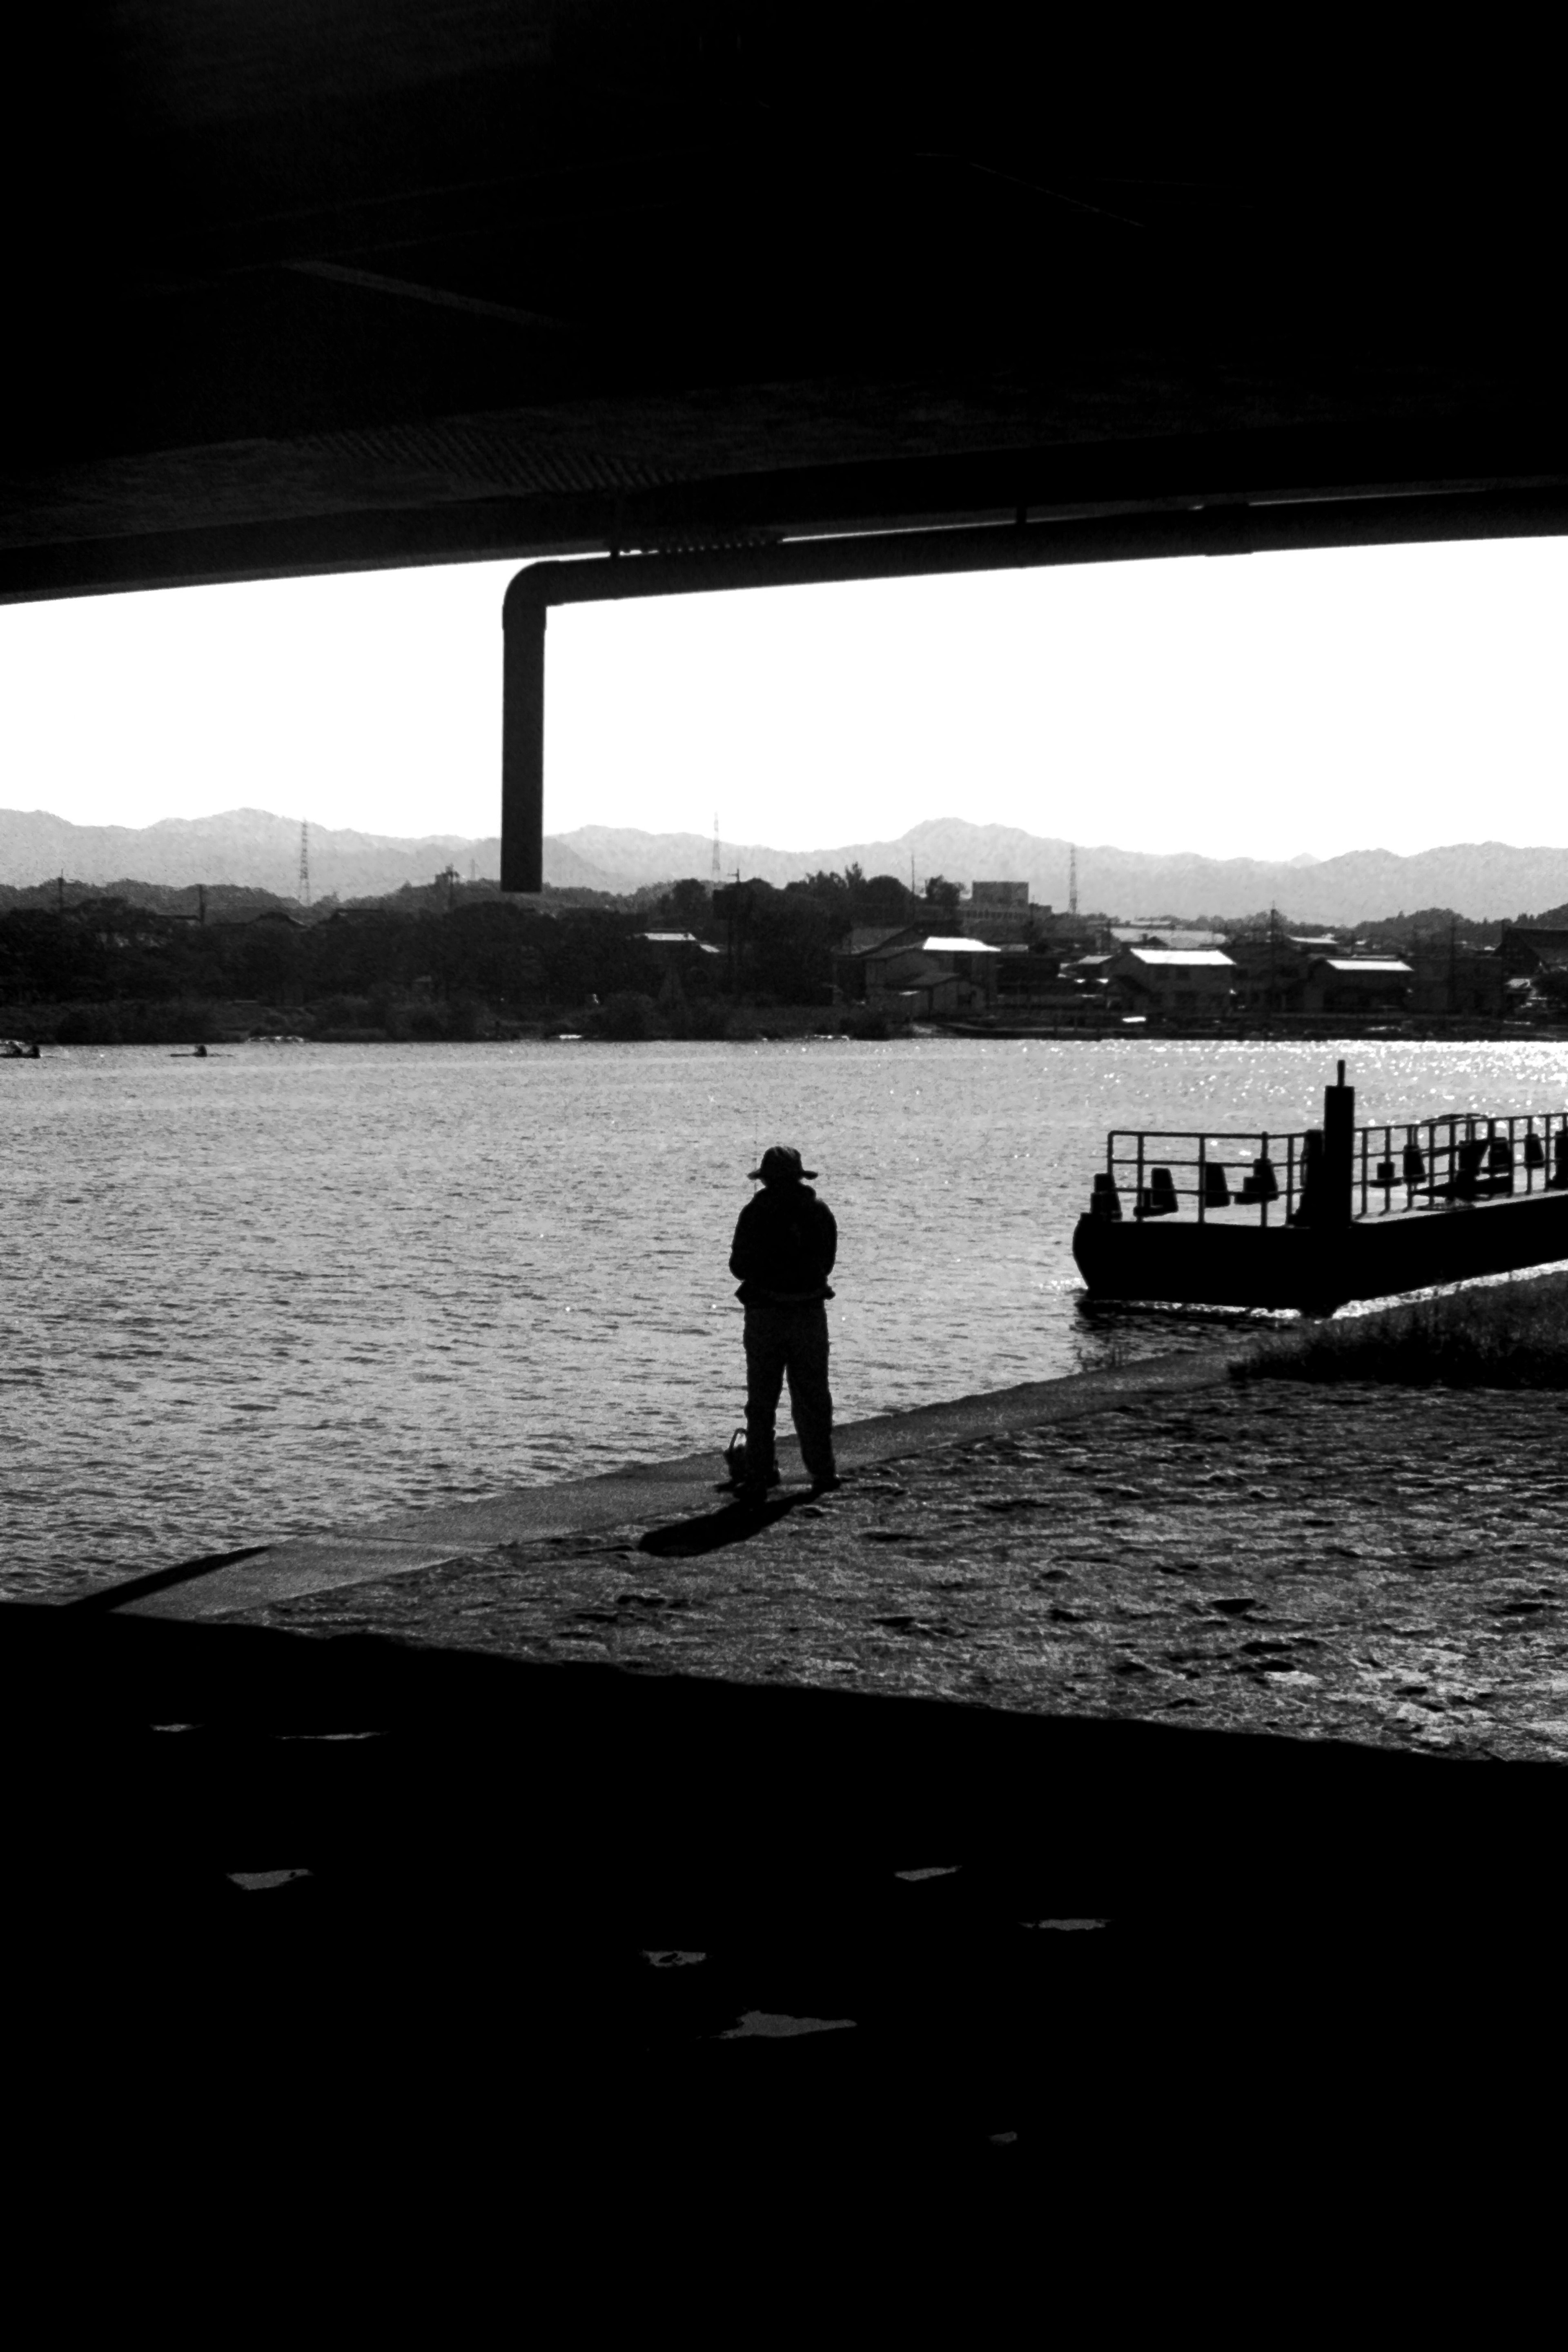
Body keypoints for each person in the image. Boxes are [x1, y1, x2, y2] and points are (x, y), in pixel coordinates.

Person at [728, 1145, 840, 1500]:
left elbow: (738, 1268)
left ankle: (760, 1474)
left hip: (765, 1315)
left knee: (762, 1400)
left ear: (765, 1179)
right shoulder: (819, 1212)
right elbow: (827, 1262)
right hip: (809, 1313)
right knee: (813, 1396)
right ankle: (823, 1472)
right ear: (799, 1176)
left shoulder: (755, 1213)